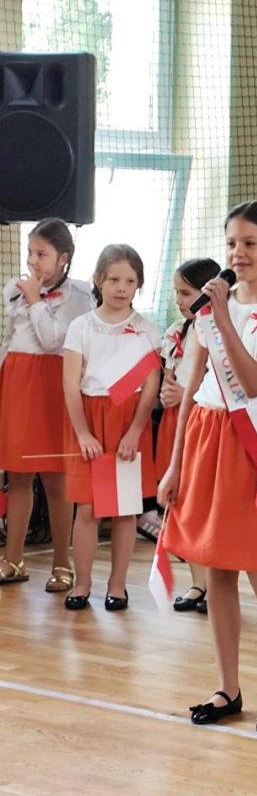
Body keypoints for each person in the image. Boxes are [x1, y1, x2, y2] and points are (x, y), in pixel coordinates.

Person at [158, 200, 257, 737]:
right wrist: (174, 464)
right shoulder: (207, 312)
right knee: (216, 567)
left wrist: (223, 317)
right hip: (206, 437)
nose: (238, 253)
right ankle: (228, 686)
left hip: (255, 445)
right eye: (231, 243)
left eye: (250, 243)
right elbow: (192, 391)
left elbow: (254, 382)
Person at [62, 244, 160, 611]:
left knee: (124, 510)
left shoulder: (147, 330)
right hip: (88, 419)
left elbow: (150, 386)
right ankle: (82, 582)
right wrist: (83, 432)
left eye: (130, 281)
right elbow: (70, 383)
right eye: (114, 279)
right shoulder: (80, 327)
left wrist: (135, 431)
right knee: (87, 508)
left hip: (128, 424)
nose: (122, 287)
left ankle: (117, 585)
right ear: (98, 280)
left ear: (139, 284)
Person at [0, 217, 93, 590]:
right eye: (30, 252)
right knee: (17, 477)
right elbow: (9, 340)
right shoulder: (13, 290)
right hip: (17, 383)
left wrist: (37, 301)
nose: (32, 260)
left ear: (63, 257)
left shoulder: (79, 296)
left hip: (53, 385)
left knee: (56, 479)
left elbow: (54, 341)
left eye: (42, 254)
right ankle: (13, 560)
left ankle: (61, 564)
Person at [156, 257, 221, 615]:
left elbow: (219, 381)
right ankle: (199, 583)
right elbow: (170, 376)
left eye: (186, 292)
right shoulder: (177, 331)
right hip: (175, 420)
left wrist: (186, 395)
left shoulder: (219, 331)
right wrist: (168, 392)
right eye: (177, 292)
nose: (180, 300)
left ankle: (216, 583)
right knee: (181, 503)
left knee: (205, 503)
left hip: (203, 420)